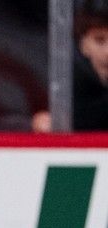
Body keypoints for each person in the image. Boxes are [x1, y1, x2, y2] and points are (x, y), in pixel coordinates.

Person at [32, 0, 108, 132]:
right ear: (84, 45)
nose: (107, 50)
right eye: (99, 40)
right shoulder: (68, 85)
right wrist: (41, 122)